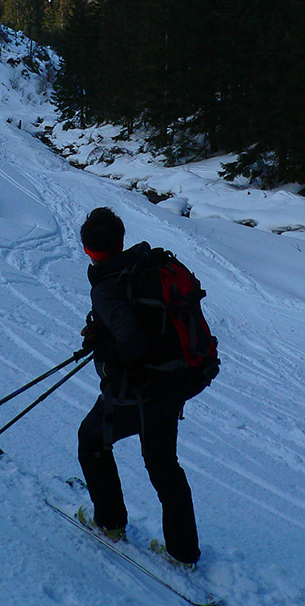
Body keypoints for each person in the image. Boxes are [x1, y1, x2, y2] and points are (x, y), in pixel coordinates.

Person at [76, 206, 201, 567]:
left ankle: (110, 523)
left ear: (87, 249)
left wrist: (103, 346)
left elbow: (131, 342)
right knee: (163, 463)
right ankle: (183, 553)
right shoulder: (145, 266)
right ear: (121, 241)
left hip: (139, 389)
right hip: (172, 381)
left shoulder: (107, 286)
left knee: (91, 440)